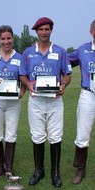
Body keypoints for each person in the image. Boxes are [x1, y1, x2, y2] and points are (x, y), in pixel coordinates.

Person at [19, 17, 72, 187]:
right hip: (36, 100)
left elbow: (67, 74)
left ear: (51, 30)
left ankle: (55, 172)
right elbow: (22, 74)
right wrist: (28, 85)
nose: (44, 32)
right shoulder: (28, 52)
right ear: (36, 31)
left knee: (55, 136)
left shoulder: (61, 51)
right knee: (37, 136)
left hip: (55, 101)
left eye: (47, 29)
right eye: (41, 29)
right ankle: (38, 171)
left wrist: (63, 85)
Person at [0, 25, 26, 177]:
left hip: (14, 101)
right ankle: (1, 166)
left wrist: (22, 90)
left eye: (8, 38)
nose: (6, 41)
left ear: (13, 39)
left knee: (11, 134)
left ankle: (8, 167)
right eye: (3, 39)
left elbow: (24, 77)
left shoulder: (20, 57)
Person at [68, 20, 95, 185]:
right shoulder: (83, 49)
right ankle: (80, 169)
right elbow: (65, 60)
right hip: (88, 95)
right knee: (83, 133)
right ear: (92, 32)